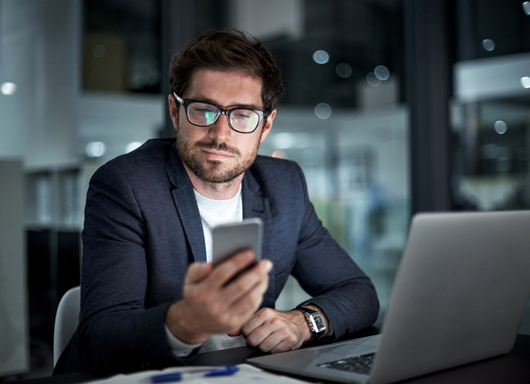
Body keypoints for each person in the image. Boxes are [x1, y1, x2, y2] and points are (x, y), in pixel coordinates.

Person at [54, 29, 379, 375]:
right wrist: (185, 323)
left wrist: (304, 323)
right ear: (175, 112)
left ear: (266, 125)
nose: (220, 135)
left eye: (242, 115)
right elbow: (99, 339)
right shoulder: (126, 186)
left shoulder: (284, 186)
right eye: (204, 110)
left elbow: (358, 292)